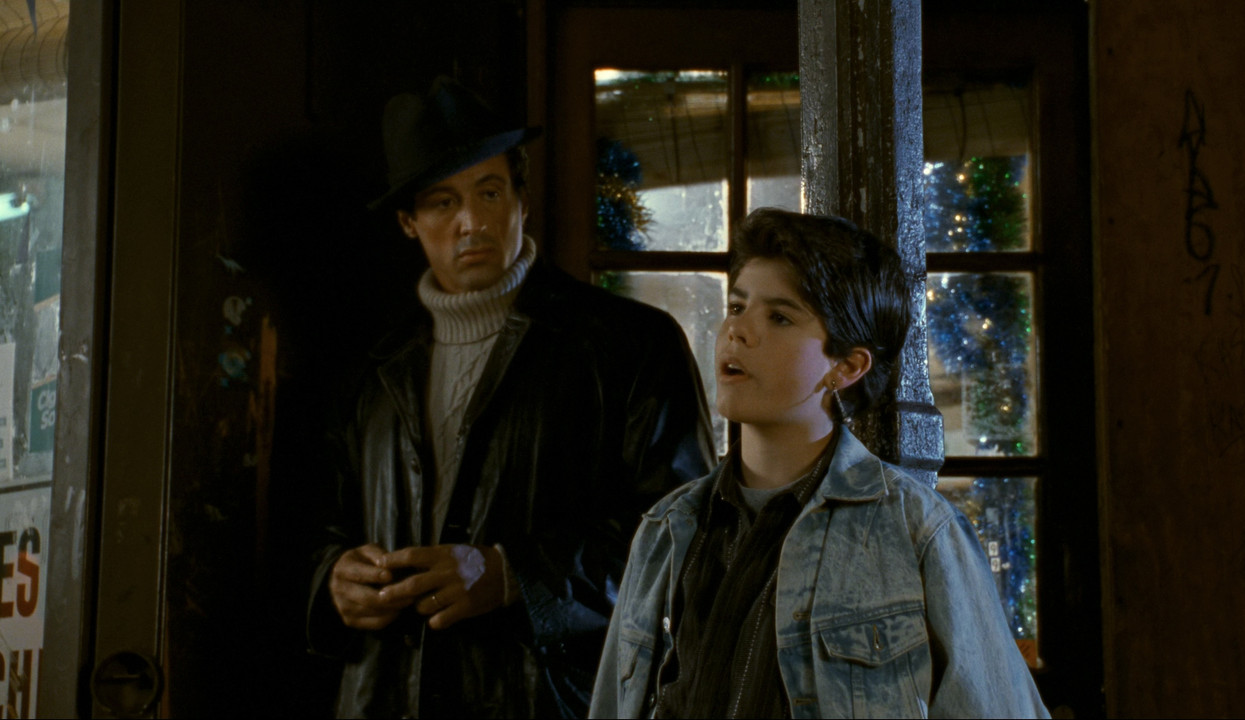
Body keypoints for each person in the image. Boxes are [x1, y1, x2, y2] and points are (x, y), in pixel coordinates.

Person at [305, 76, 715, 719]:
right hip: (384, 695)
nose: (471, 222)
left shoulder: (629, 345)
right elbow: (321, 526)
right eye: (442, 203)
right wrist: (333, 579)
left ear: (522, 197)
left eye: (490, 192)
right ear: (409, 222)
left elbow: (687, 541)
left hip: (551, 700)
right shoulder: (370, 370)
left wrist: (512, 576)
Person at [590, 208, 1049, 718]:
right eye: (737, 306)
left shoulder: (917, 533)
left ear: (847, 366)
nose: (737, 330)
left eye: (779, 317)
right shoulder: (667, 530)